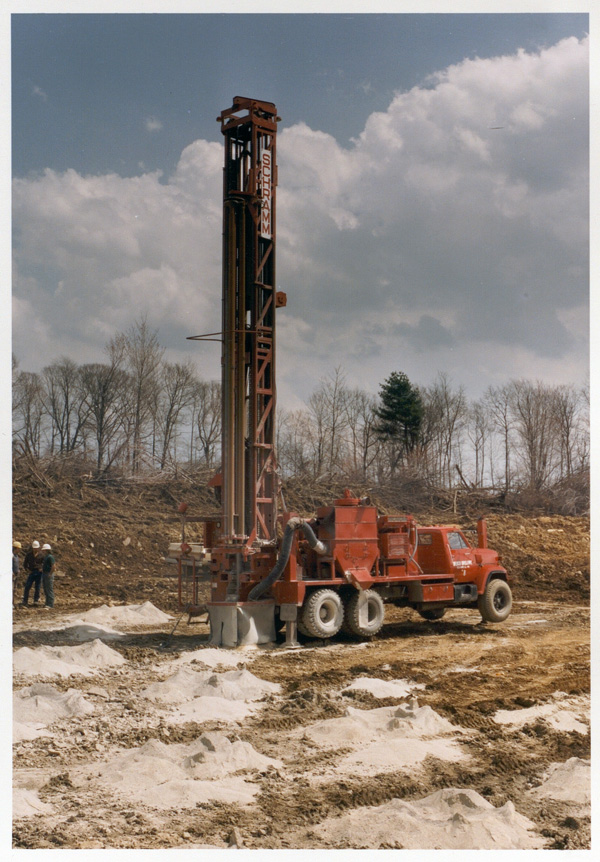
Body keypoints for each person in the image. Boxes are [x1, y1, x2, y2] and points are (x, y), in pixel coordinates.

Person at [22, 540, 42, 606]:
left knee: (37, 587)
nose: (35, 549)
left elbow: (44, 563)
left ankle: (36, 601)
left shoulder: (41, 555)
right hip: (32, 572)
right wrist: (27, 570)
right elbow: (25, 564)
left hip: (39, 573)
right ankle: (25, 601)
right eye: (34, 548)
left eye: (36, 548)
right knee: (27, 586)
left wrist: (42, 569)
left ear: (38, 548)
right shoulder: (29, 555)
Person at [41, 544, 56, 609]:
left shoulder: (50, 557)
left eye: (43, 550)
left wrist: (50, 573)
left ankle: (50, 604)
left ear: (46, 550)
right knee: (46, 588)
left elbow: (53, 566)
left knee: (49, 589)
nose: (43, 551)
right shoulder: (46, 557)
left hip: (48, 574)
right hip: (45, 573)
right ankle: (47, 603)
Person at [12, 540, 21, 608]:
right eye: (19, 549)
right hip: (12, 575)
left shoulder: (17, 556)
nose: (19, 550)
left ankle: (13, 602)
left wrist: (18, 570)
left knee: (14, 589)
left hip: (16, 574)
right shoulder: (11, 556)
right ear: (15, 548)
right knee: (11, 589)